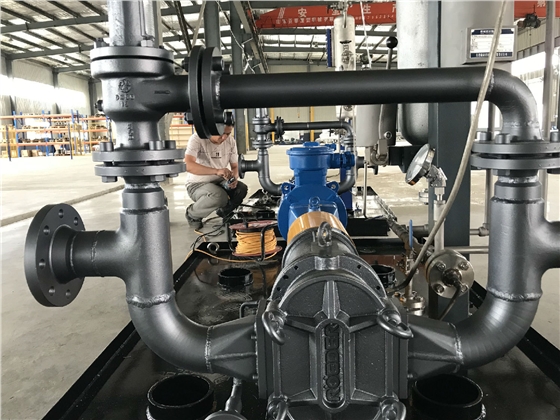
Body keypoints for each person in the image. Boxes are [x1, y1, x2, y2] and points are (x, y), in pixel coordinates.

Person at [184, 118, 248, 229]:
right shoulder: (197, 139)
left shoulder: (230, 141)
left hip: (220, 182)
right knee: (219, 196)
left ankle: (225, 211)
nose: (224, 138)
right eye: (222, 133)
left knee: (241, 189)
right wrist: (217, 171)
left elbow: (235, 166)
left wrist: (234, 178)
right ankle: (192, 214)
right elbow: (188, 165)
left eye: (228, 134)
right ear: (211, 129)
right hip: (197, 184)